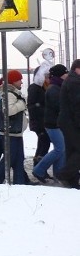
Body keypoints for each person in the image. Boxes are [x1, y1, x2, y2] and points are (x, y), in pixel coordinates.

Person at [0, 69, 29, 185]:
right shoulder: (9, 93)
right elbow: (8, 111)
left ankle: (21, 183)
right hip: (10, 132)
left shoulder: (13, 92)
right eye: (20, 80)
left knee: (19, 159)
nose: (21, 82)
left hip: (15, 132)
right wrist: (22, 104)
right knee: (9, 160)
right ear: (13, 81)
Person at [34, 64, 67, 183]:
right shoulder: (54, 89)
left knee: (60, 149)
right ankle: (39, 170)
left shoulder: (57, 87)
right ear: (60, 75)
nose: (67, 75)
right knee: (60, 149)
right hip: (53, 124)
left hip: (56, 123)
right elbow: (59, 107)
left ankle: (58, 175)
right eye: (65, 73)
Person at [56, 59, 80, 189]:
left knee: (72, 151)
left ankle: (72, 181)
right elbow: (77, 105)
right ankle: (64, 175)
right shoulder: (75, 82)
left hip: (67, 122)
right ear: (77, 68)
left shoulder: (70, 80)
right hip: (72, 123)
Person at [28, 63, 52, 171]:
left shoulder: (45, 88)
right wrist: (47, 110)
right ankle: (38, 168)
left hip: (44, 122)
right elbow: (32, 106)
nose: (48, 79)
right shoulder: (35, 88)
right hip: (39, 123)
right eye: (46, 76)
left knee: (43, 145)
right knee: (43, 145)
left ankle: (39, 167)